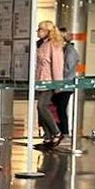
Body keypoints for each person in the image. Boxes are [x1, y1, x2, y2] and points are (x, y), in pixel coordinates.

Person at [33, 21, 65, 149]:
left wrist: (57, 84)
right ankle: (47, 136)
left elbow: (57, 65)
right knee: (39, 108)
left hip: (48, 81)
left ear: (47, 31)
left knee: (42, 106)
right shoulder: (42, 45)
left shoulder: (54, 45)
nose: (38, 31)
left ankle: (56, 132)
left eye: (40, 29)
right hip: (40, 81)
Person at [52, 26, 79, 139]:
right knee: (57, 109)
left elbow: (67, 67)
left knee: (61, 109)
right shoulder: (62, 49)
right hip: (60, 84)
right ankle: (59, 131)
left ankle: (65, 133)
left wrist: (56, 73)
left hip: (65, 85)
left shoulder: (70, 50)